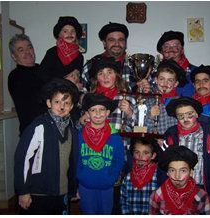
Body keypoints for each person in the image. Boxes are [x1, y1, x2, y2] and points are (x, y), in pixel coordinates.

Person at [13, 79, 80, 215]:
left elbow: (73, 162)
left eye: (66, 103)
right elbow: (22, 159)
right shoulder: (39, 126)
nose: (62, 107)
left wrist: (73, 189)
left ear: (72, 106)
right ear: (49, 103)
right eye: (57, 102)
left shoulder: (72, 129)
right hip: (39, 193)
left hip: (62, 193)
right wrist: (23, 191)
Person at [161, 97, 210, 208]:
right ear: (176, 117)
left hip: (202, 186)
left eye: (190, 115)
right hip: (177, 187)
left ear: (197, 114)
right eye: (181, 116)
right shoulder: (171, 136)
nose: (185, 119)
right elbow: (163, 165)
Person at [76, 93, 125, 215]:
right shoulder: (79, 136)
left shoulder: (115, 137)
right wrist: (78, 179)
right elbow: (75, 159)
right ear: (87, 114)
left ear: (108, 112)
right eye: (93, 110)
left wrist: (111, 177)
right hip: (85, 185)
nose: (98, 114)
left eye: (101, 109)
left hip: (106, 185)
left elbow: (119, 160)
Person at [149, 145, 210, 215]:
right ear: (167, 172)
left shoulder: (202, 196)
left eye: (183, 171)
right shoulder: (157, 195)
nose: (177, 176)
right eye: (172, 170)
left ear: (191, 172)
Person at [7, 33, 48, 134]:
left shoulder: (44, 69)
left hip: (51, 130)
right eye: (21, 50)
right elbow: (36, 101)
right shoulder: (15, 76)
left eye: (29, 48)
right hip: (32, 132)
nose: (27, 52)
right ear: (14, 56)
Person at [81, 22, 136, 93]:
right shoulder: (91, 65)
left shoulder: (135, 65)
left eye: (121, 40)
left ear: (125, 43)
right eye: (112, 40)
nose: (117, 44)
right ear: (104, 43)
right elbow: (82, 95)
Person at [143, 59, 187, 134]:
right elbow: (143, 129)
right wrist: (150, 116)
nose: (165, 83)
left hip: (174, 143)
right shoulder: (148, 102)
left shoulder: (182, 103)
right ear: (156, 80)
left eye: (170, 80)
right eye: (162, 79)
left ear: (176, 84)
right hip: (155, 142)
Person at [40, 16, 85, 90]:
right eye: (65, 31)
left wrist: (76, 81)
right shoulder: (52, 52)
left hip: (70, 94)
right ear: (59, 34)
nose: (69, 34)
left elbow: (77, 77)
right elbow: (42, 75)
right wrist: (64, 81)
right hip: (53, 93)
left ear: (76, 34)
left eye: (73, 31)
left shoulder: (79, 56)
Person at [120, 138, 161, 215]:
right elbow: (123, 201)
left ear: (153, 156)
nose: (140, 156)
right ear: (132, 154)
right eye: (137, 152)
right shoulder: (128, 177)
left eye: (145, 153)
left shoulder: (158, 176)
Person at [157, 31, 197, 97]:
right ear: (162, 51)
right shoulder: (154, 74)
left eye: (175, 46)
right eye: (166, 46)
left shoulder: (196, 72)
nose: (171, 49)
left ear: (182, 50)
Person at [190, 65, 210, 133]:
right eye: (197, 81)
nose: (201, 84)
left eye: (205, 81)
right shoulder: (187, 105)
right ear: (194, 85)